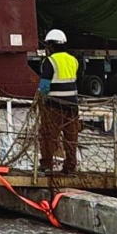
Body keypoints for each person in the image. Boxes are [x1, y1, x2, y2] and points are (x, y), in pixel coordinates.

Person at [38, 28, 79, 174]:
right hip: (73, 106)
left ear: (51, 45)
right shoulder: (73, 60)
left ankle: (47, 165)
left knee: (48, 135)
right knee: (71, 137)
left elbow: (44, 85)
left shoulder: (50, 61)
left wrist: (40, 98)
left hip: (55, 106)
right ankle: (70, 166)